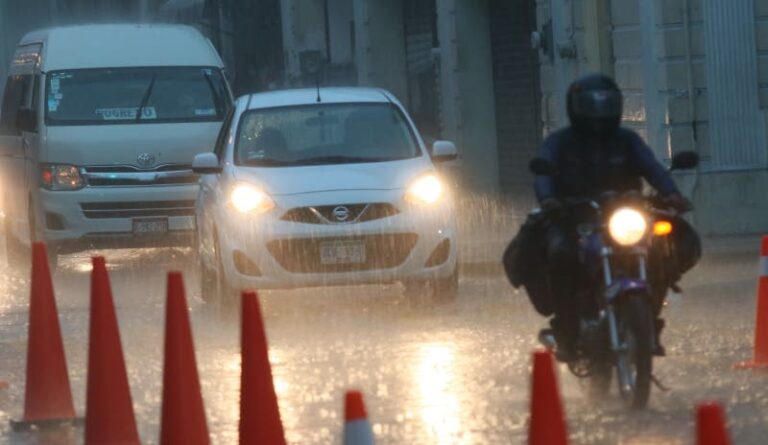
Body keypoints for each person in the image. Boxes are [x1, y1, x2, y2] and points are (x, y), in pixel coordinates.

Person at [533, 73, 692, 362]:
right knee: (560, 254)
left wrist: (671, 193)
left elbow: (653, 168)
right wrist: (549, 200)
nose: (599, 114)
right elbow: (543, 172)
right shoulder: (560, 143)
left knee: (662, 248)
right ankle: (567, 332)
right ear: (575, 108)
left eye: (605, 106)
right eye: (591, 106)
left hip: (625, 217)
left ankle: (649, 322)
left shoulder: (627, 140)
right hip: (575, 218)